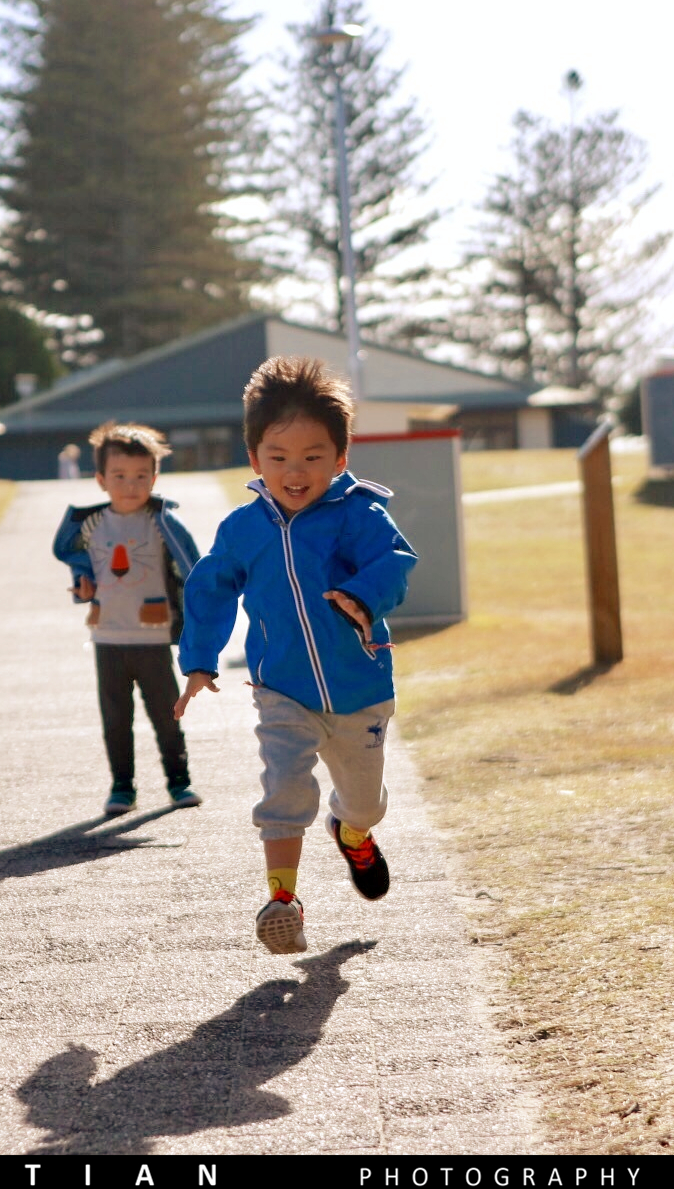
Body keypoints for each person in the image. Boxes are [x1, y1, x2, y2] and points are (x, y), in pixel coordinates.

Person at [174, 357, 416, 955]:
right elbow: (209, 588)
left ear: (340, 458)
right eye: (278, 457)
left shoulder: (360, 513)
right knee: (284, 788)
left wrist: (361, 597)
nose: (295, 470)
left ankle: (352, 831)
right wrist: (200, 659)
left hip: (360, 689)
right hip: (281, 688)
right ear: (255, 459)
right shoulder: (242, 529)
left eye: (313, 456)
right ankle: (283, 899)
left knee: (364, 801)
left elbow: (395, 563)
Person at [53, 423, 203, 815]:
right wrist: (82, 587)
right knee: (116, 718)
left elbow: (190, 566)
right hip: (107, 637)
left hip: (152, 635)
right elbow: (81, 565)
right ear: (101, 480)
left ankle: (179, 780)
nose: (131, 485)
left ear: (154, 478)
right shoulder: (91, 525)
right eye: (119, 476)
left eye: (140, 477)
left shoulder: (161, 522)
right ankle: (122, 786)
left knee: (167, 714)